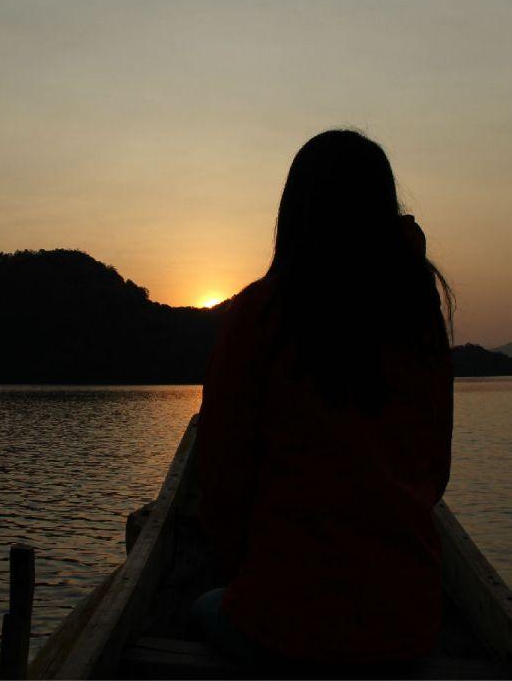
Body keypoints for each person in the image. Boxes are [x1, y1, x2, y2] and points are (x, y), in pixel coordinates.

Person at [193, 130, 455, 671]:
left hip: (284, 627)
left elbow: (220, 488)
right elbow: (436, 475)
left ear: (295, 213)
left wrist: (251, 577)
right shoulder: (417, 321)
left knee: (200, 606)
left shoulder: (259, 314)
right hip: (407, 630)